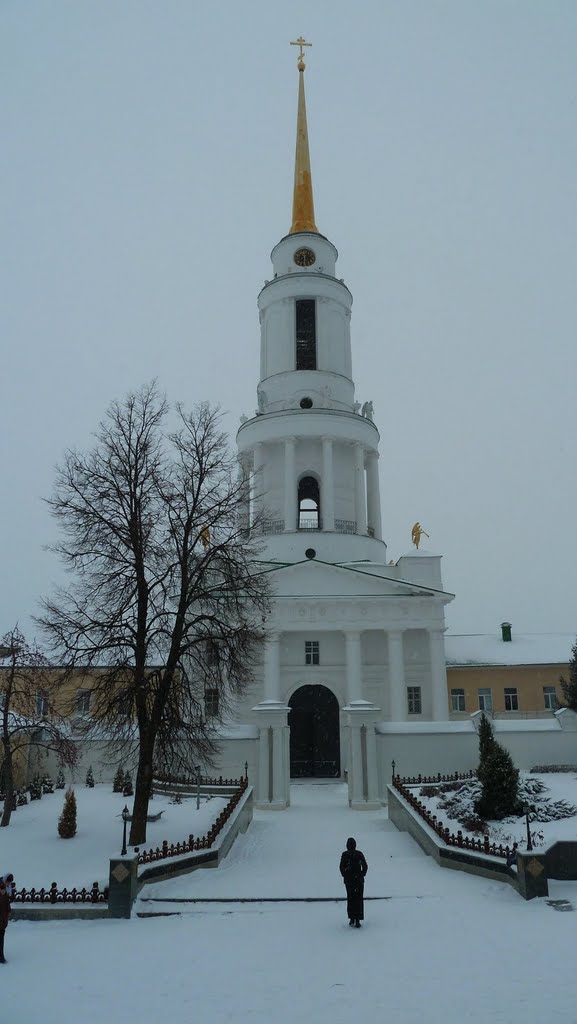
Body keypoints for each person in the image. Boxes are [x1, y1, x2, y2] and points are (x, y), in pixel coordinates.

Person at [339, 837, 368, 928]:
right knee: (358, 899)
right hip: (357, 880)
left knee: (351, 899)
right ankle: (357, 919)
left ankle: (352, 918)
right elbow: (365, 866)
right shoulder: (359, 854)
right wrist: (361, 874)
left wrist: (346, 875)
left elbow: (341, 867)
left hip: (350, 881)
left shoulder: (345, 854)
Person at [0, 879, 10, 963]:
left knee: (1, 939)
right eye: (2, 889)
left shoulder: (6, 894)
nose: (3, 891)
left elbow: (7, 906)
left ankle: (1, 956)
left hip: (3, 921)